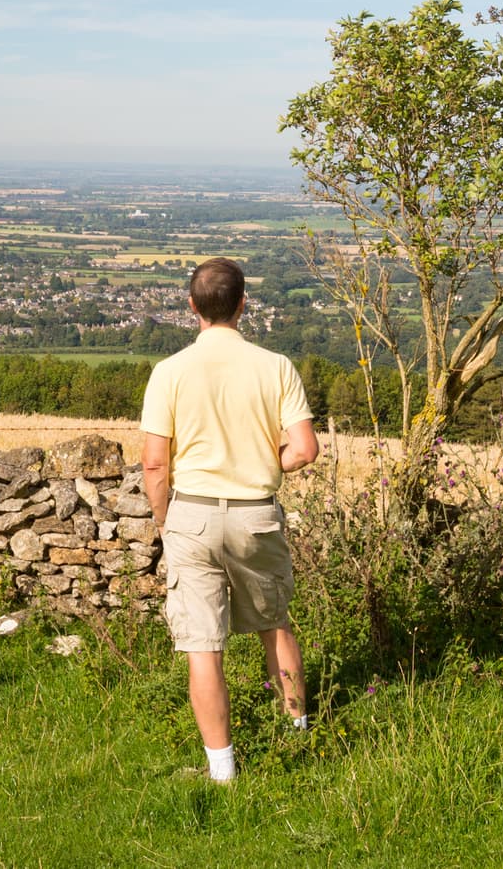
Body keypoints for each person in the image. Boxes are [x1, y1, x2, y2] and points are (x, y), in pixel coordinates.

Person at [139, 256, 318, 783]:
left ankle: (222, 771)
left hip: (191, 514)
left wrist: (164, 522)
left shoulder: (169, 372)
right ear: (243, 304)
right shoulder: (275, 366)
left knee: (203, 645)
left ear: (192, 306)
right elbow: (305, 449)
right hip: (255, 513)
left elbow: (154, 462)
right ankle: (299, 735)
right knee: (274, 625)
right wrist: (266, 462)